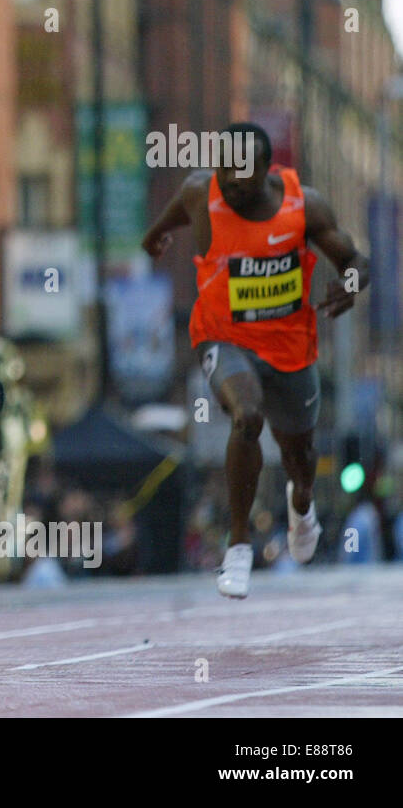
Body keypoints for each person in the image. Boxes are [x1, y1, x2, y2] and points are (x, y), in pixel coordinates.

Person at [142, 122, 370, 598]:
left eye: (244, 175)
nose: (232, 184)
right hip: (221, 336)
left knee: (299, 459)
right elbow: (166, 222)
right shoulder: (200, 192)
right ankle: (239, 547)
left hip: (290, 347)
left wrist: (348, 286)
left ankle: (300, 503)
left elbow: (355, 261)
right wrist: (155, 238)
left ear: (269, 169)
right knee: (246, 417)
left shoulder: (303, 205)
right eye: (225, 171)